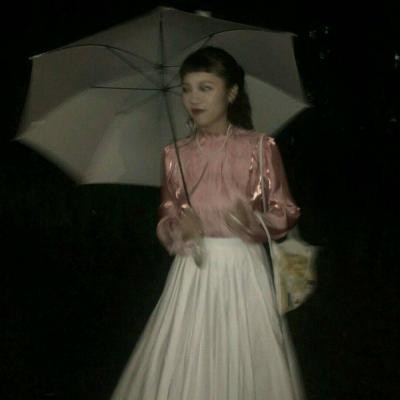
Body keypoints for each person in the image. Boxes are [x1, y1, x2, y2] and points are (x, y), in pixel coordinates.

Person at [110, 46, 306, 400]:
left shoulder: (259, 147)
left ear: (231, 93)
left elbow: (286, 210)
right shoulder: (175, 154)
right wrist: (177, 230)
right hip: (193, 271)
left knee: (246, 359)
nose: (193, 98)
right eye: (186, 88)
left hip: (244, 269)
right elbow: (167, 213)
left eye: (205, 87)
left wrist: (253, 221)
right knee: (189, 361)